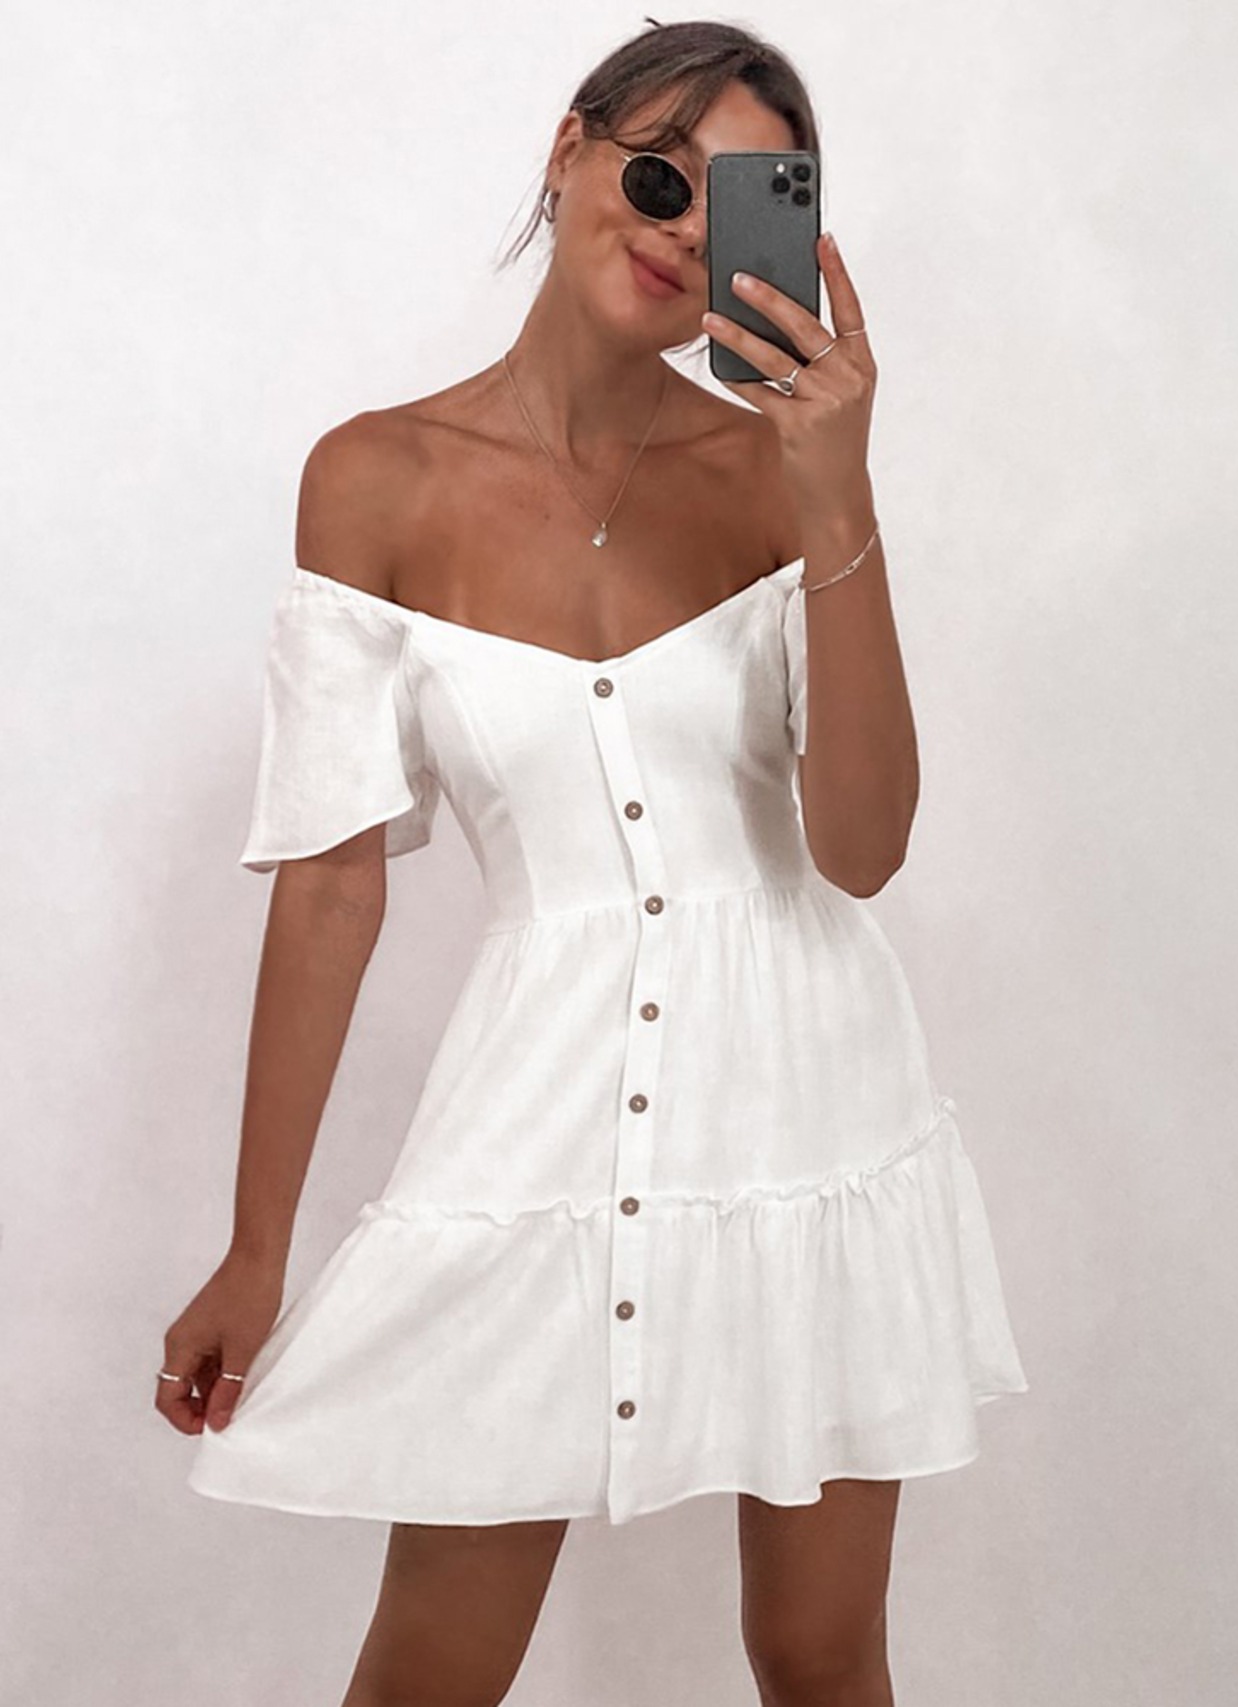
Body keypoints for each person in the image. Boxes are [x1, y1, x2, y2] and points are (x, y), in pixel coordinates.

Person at [156, 20, 1028, 1707]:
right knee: (431, 1670)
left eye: (736, 206)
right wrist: (257, 1249)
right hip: (540, 1116)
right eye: (657, 176)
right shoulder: (375, 480)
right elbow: (333, 887)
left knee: (818, 1655)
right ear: (569, 152)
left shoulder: (776, 474)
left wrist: (837, 496)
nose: (679, 233)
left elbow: (861, 851)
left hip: (811, 1114)